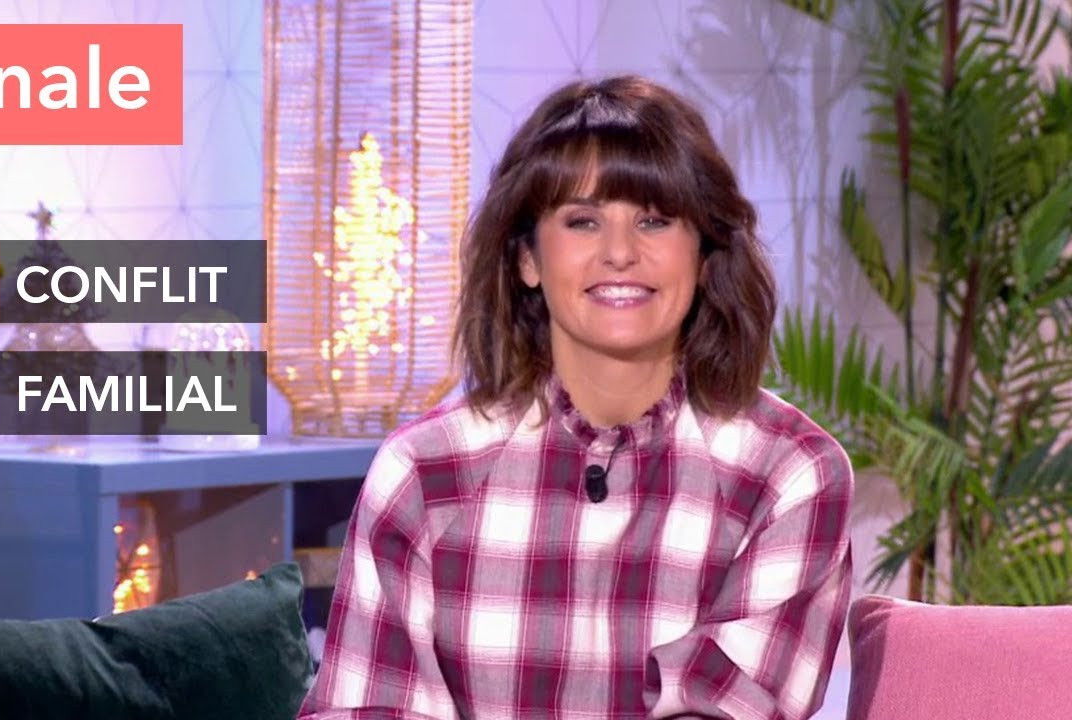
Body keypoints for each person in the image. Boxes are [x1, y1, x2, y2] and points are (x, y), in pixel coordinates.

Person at [297, 74, 853, 720]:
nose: (619, 253)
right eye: (583, 221)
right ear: (527, 259)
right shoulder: (423, 473)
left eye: (654, 220)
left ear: (704, 254)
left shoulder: (790, 474)